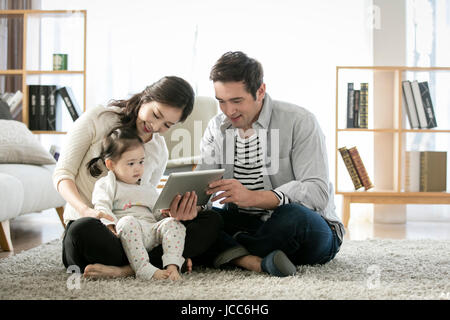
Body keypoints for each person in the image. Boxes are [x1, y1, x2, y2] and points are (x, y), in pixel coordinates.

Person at [53, 76, 222, 278]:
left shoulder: (159, 150)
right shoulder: (98, 119)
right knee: (81, 230)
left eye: (167, 125)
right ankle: (165, 261)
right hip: (99, 230)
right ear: (146, 96)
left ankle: (127, 270)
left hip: (136, 234)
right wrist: (85, 210)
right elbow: (62, 174)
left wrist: (174, 214)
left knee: (211, 219)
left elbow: (145, 200)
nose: (156, 126)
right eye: (156, 114)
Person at [196, 51, 345, 277]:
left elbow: (318, 192)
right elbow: (202, 186)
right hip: (244, 222)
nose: (229, 111)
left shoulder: (300, 121)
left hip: (300, 227)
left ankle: (227, 250)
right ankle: (254, 261)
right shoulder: (217, 127)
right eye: (221, 102)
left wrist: (254, 198)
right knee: (195, 221)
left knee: (293, 217)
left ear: (260, 91)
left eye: (237, 101)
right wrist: (190, 204)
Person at [88, 127, 187, 281]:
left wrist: (164, 214)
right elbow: (102, 206)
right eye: (131, 163)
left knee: (174, 223)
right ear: (111, 164)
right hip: (128, 232)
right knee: (128, 222)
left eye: (141, 162)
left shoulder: (147, 187)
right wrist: (109, 225)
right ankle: (144, 269)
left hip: (151, 232)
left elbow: (156, 212)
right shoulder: (108, 184)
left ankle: (172, 267)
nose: (138, 168)